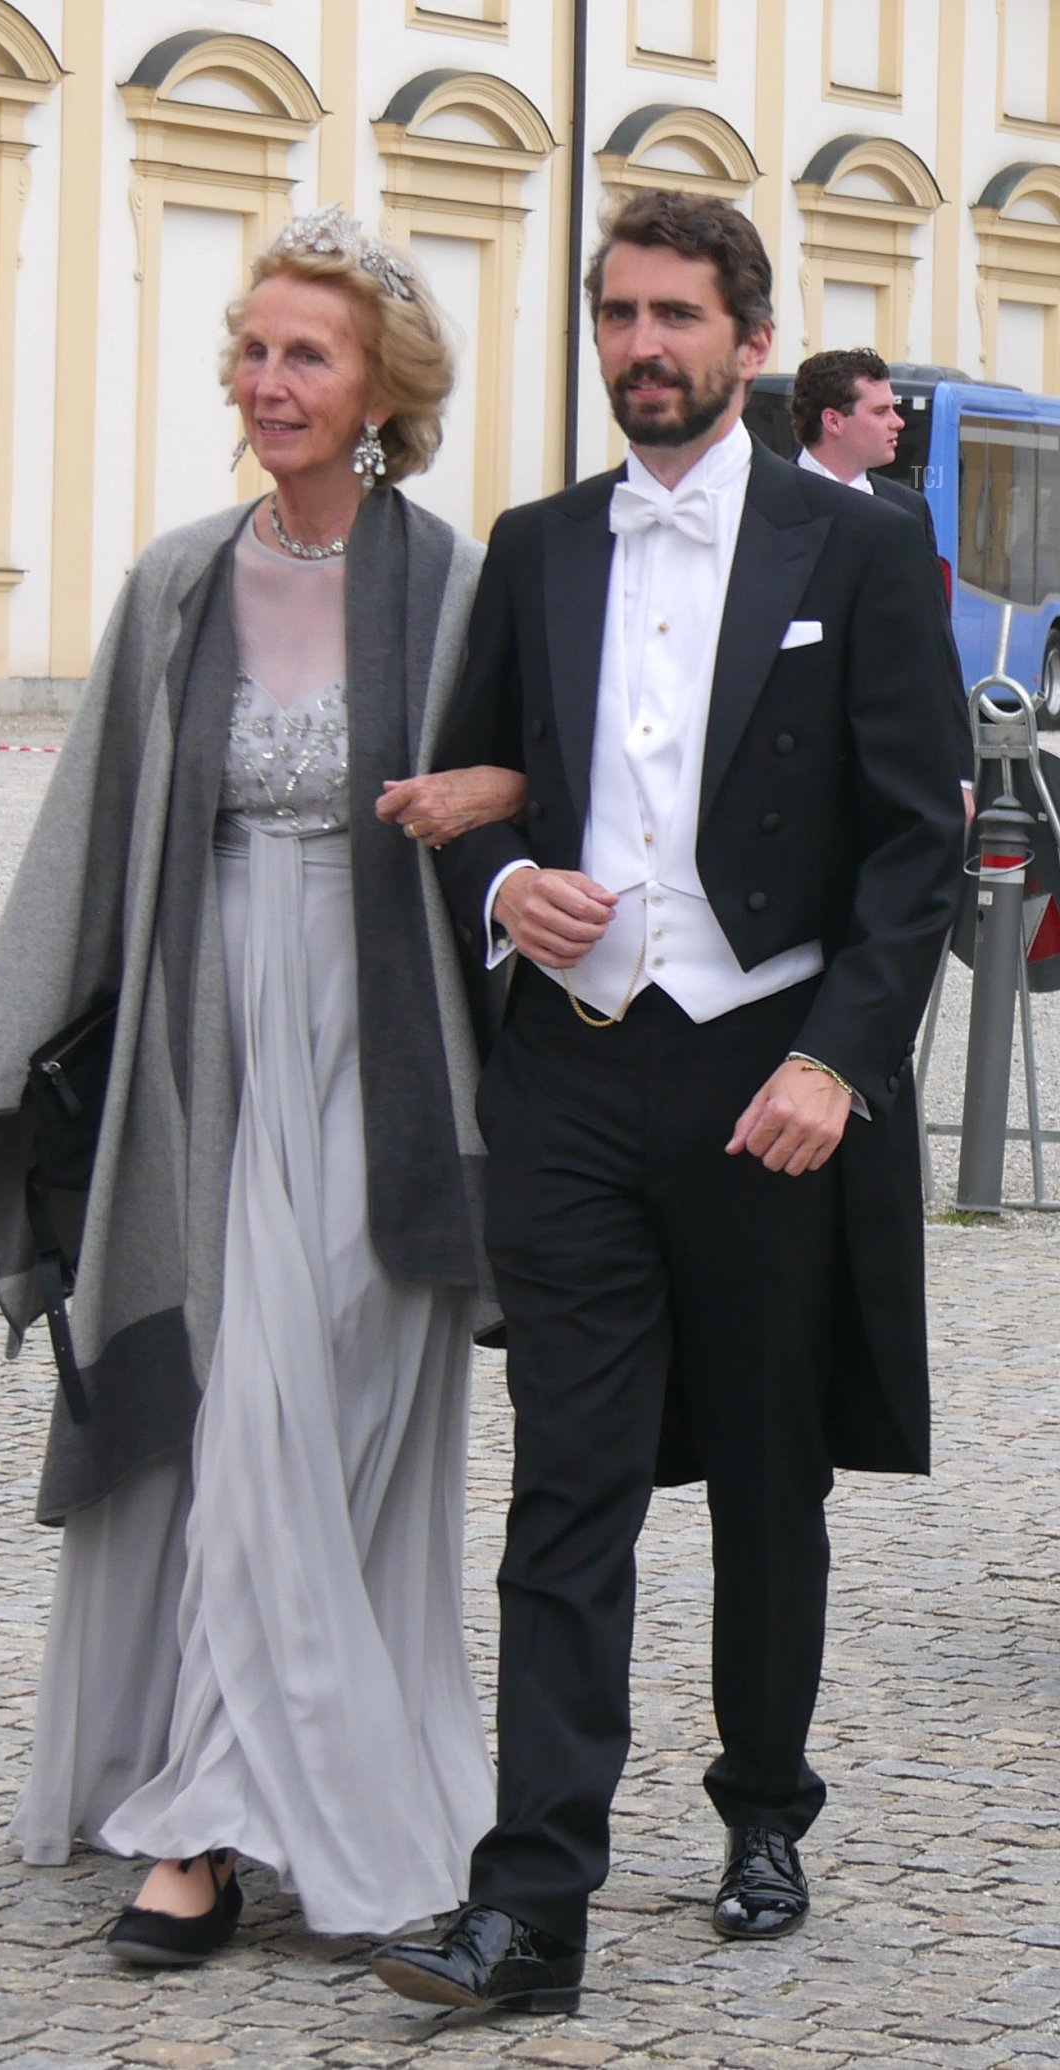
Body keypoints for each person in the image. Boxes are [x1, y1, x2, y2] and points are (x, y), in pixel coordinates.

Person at [373, 189, 965, 2017]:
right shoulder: (539, 542)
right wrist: (501, 891)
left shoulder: (855, 549)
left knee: (770, 1478)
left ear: (749, 339)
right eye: (620, 314)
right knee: (570, 1484)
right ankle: (530, 1902)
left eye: (678, 317)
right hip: (571, 1066)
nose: (644, 345)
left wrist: (835, 1062)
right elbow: (482, 790)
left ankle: (764, 1805)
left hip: (761, 1071)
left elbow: (919, 843)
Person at [0, 205, 527, 1961]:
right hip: (209, 1043)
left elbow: (538, 797)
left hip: (391, 1033)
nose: (270, 382)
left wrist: (481, 809)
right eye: (254, 350)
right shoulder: (179, 577)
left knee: (334, 1391)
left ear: (380, 389)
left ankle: (278, 1789)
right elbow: (94, 838)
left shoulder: (460, 579)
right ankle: (197, 1816)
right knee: (231, 1404)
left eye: (307, 355)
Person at [790, 347, 974, 802]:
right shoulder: (769, 506)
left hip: (891, 772)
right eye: (881, 410)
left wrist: (960, 774)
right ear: (833, 421)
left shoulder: (907, 510)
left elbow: (935, 644)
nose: (898, 422)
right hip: (794, 774)